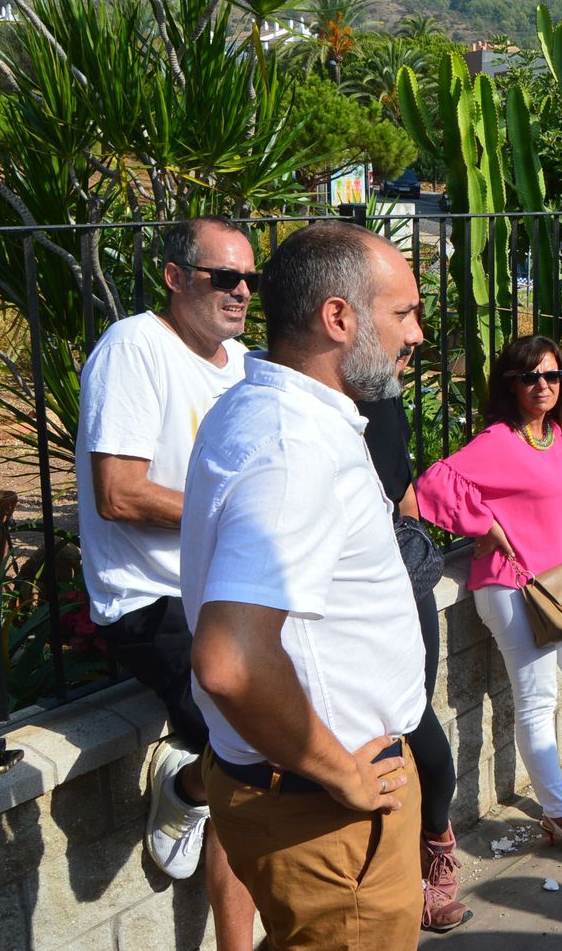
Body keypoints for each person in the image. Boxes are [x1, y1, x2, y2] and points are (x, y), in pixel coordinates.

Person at [182, 221, 428, 949]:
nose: (416, 334)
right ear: (338, 317)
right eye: (403, 313)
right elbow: (231, 662)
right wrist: (341, 774)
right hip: (327, 812)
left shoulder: (262, 410)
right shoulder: (294, 450)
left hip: (302, 797)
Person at [74, 216, 257, 949]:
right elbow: (118, 493)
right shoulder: (134, 348)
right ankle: (184, 791)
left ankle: (189, 778)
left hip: (227, 590)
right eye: (226, 277)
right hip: (150, 600)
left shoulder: (242, 363)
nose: (242, 292)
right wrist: (230, 513)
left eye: (251, 279)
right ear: (176, 278)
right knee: (251, 758)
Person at [418, 334, 562, 856]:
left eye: (552, 375)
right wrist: (486, 526)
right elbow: (432, 484)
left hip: (555, 583)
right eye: (530, 376)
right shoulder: (499, 439)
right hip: (509, 585)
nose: (542, 385)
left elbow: (541, 491)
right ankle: (559, 813)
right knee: (537, 698)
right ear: (511, 384)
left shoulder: (553, 434)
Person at [357, 392, 471, 932]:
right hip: (340, 605)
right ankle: (409, 882)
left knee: (414, 722)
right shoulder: (292, 406)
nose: (410, 350)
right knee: (382, 745)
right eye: (400, 352)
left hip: (401, 582)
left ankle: (437, 844)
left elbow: (403, 493)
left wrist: (409, 548)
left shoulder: (382, 400)